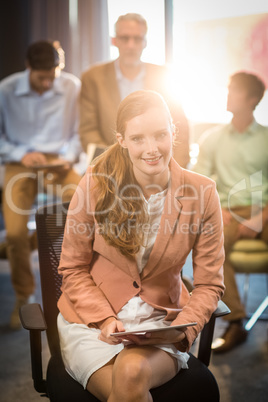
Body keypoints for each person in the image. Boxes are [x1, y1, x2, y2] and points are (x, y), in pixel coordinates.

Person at [57, 90, 225, 401]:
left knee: (132, 374)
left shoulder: (203, 193)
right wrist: (106, 319)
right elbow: (73, 268)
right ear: (121, 139)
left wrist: (186, 328)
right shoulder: (95, 182)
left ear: (172, 131)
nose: (152, 149)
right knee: (130, 386)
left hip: (160, 325)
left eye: (160, 134)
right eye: (138, 139)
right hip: (95, 324)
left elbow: (209, 285)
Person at [0, 40, 82, 329]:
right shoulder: (6, 90)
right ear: (28, 68)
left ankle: (86, 287)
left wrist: (68, 156)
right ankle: (24, 296)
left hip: (58, 163)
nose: (48, 83)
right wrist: (20, 154)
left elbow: (77, 133)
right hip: (18, 162)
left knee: (90, 204)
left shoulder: (72, 86)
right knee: (14, 233)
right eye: (41, 77)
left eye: (53, 76)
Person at [194, 71, 268, 353]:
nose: (227, 95)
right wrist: (216, 208)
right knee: (210, 245)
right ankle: (236, 322)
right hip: (228, 209)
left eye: (234, 91)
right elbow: (200, 181)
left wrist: (260, 217)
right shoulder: (212, 138)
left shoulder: (266, 138)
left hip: (265, 209)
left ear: (251, 100)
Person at [79, 13, 190, 168]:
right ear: (114, 41)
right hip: (113, 166)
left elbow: (180, 126)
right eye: (125, 38)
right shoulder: (93, 78)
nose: (131, 45)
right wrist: (118, 165)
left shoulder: (164, 76)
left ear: (145, 42)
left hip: (159, 165)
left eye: (137, 39)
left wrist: (174, 170)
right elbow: (88, 131)